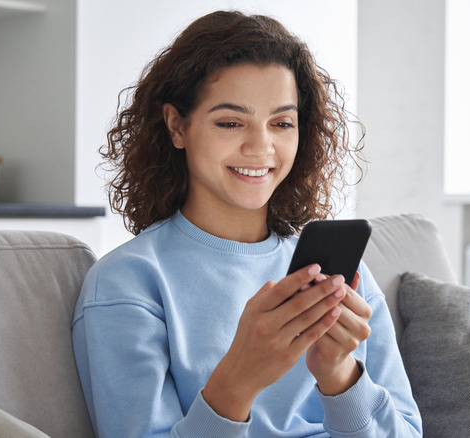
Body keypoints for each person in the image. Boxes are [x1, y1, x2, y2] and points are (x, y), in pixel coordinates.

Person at [71, 10, 422, 438]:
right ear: (176, 125)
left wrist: (339, 375)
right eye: (231, 122)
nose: (261, 146)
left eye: (282, 123)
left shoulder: (342, 279)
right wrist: (238, 379)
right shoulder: (126, 283)